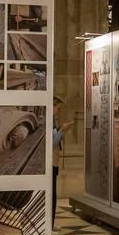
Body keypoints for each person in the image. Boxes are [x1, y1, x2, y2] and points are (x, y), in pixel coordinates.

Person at [51, 97, 71, 228]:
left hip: (54, 162)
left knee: (53, 196)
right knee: (51, 196)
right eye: (58, 108)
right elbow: (53, 142)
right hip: (51, 162)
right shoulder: (49, 120)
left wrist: (62, 131)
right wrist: (62, 130)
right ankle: (49, 226)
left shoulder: (52, 120)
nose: (58, 112)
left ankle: (51, 224)